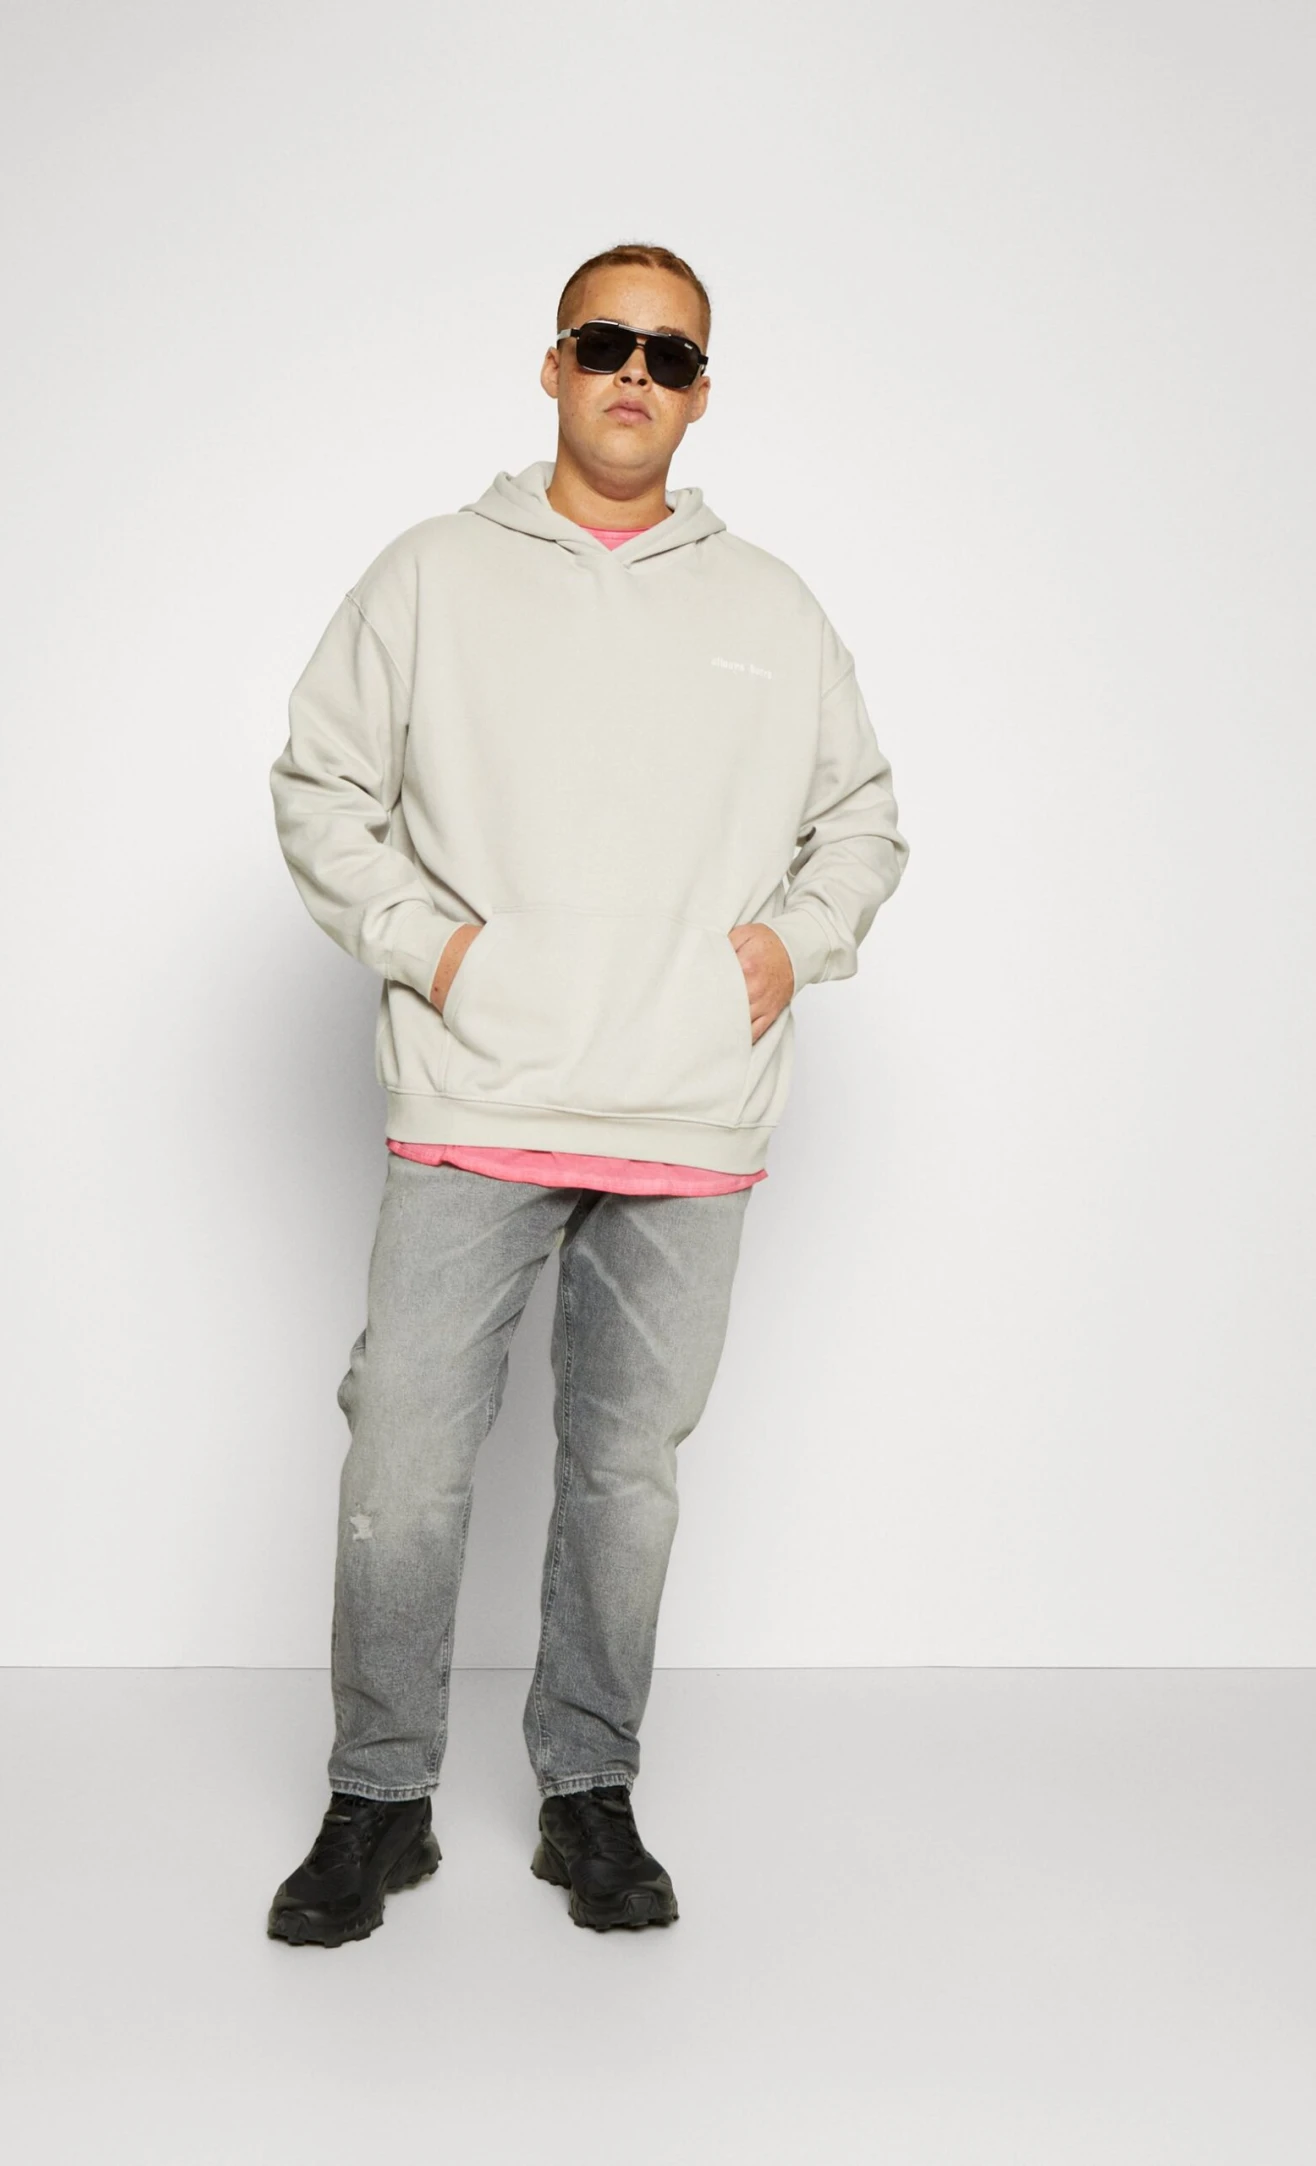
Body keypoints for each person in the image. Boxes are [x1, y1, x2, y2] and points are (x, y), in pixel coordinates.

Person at [265, 241, 909, 1944]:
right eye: (607, 341)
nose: (637, 372)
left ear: (701, 394)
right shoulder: (430, 575)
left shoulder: (770, 606)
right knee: (406, 1455)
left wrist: (786, 948)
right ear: (551, 365)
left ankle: (588, 1791)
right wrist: (438, 950)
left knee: (627, 1476)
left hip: (688, 1106)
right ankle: (379, 1798)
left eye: (671, 354)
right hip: (476, 1091)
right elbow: (322, 784)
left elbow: (862, 818)